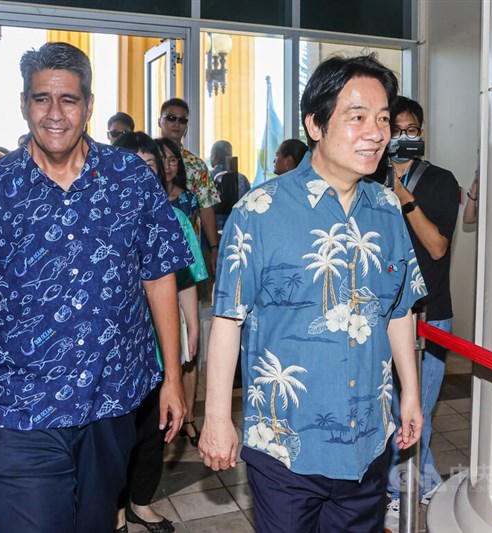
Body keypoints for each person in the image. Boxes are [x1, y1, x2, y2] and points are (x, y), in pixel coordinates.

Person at [0, 42, 193, 532]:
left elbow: (159, 278)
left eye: (68, 100)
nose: (55, 113)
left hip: (112, 400)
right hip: (19, 410)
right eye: (41, 99)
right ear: (23, 104)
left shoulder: (130, 179)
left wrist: (171, 376)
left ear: (88, 105)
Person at [199, 54, 424, 533]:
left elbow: (399, 310)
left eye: (383, 119)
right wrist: (216, 418)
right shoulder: (259, 212)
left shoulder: (386, 208)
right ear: (315, 124)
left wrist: (411, 396)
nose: (377, 132)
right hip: (286, 446)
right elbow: (227, 321)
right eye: (357, 116)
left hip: (369, 440)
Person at [112, 132, 207, 533]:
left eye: (147, 165)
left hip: (157, 344)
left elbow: (184, 281)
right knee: (116, 439)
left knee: (153, 434)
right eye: (129, 164)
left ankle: (140, 503)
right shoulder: (100, 216)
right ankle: (114, 511)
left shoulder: (177, 219)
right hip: (114, 350)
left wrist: (193, 327)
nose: (138, 173)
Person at [381, 96, 460, 533]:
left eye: (410, 130)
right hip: (382, 312)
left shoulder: (441, 182)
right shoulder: (370, 176)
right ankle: (424, 480)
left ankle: (399, 494)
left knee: (416, 409)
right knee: (391, 406)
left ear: (422, 134)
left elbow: (437, 247)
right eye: (395, 129)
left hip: (430, 315)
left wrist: (403, 195)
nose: (402, 137)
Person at [156, 136, 204, 448]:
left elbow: (187, 274)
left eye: (172, 160)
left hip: (177, 291)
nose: (167, 166)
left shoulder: (182, 211)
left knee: (183, 356)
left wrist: (193, 320)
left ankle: (184, 417)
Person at [157, 98, 221, 272]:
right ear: (159, 121)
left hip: (187, 248)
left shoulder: (196, 165)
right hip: (150, 247)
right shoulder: (146, 159)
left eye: (182, 120)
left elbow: (206, 208)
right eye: (171, 118)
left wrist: (214, 248)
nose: (177, 123)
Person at [209, 140, 251, 231]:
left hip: (212, 233)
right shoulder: (242, 179)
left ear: (214, 155)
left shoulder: (207, 177)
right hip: (237, 230)